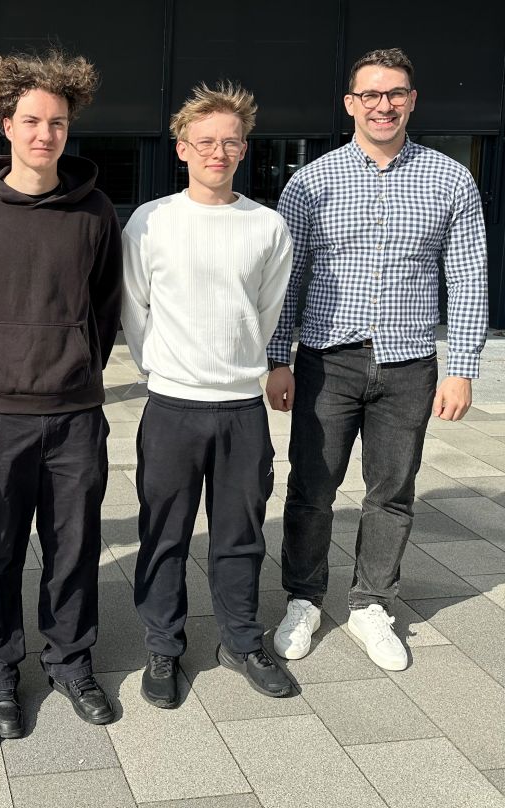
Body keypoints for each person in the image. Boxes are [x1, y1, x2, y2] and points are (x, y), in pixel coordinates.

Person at [267, 47, 488, 672]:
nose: (382, 105)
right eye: (370, 94)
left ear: (412, 101)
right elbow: (288, 276)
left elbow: (467, 276)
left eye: (394, 94)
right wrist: (277, 357)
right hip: (327, 361)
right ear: (350, 103)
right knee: (312, 488)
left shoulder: (451, 179)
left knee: (391, 491)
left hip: (409, 363)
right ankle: (304, 599)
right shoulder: (310, 182)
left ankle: (371, 603)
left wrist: (461, 366)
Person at [0, 51, 123, 737]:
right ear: (6, 125)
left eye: (58, 123)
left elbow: (105, 307)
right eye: (32, 121)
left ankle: (71, 661)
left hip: (75, 415)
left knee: (73, 546)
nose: (46, 134)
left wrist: (79, 367)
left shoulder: (95, 211)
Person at [122, 82, 294, 709]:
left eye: (229, 142)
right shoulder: (151, 222)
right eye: (205, 142)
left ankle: (242, 641)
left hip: (241, 409)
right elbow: (134, 308)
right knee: (163, 534)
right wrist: (163, 368)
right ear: (181, 148)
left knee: (240, 534)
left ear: (244, 149)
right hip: (171, 407)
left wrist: (239, 366)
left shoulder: (267, 226)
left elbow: (266, 312)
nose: (217, 152)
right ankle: (163, 647)